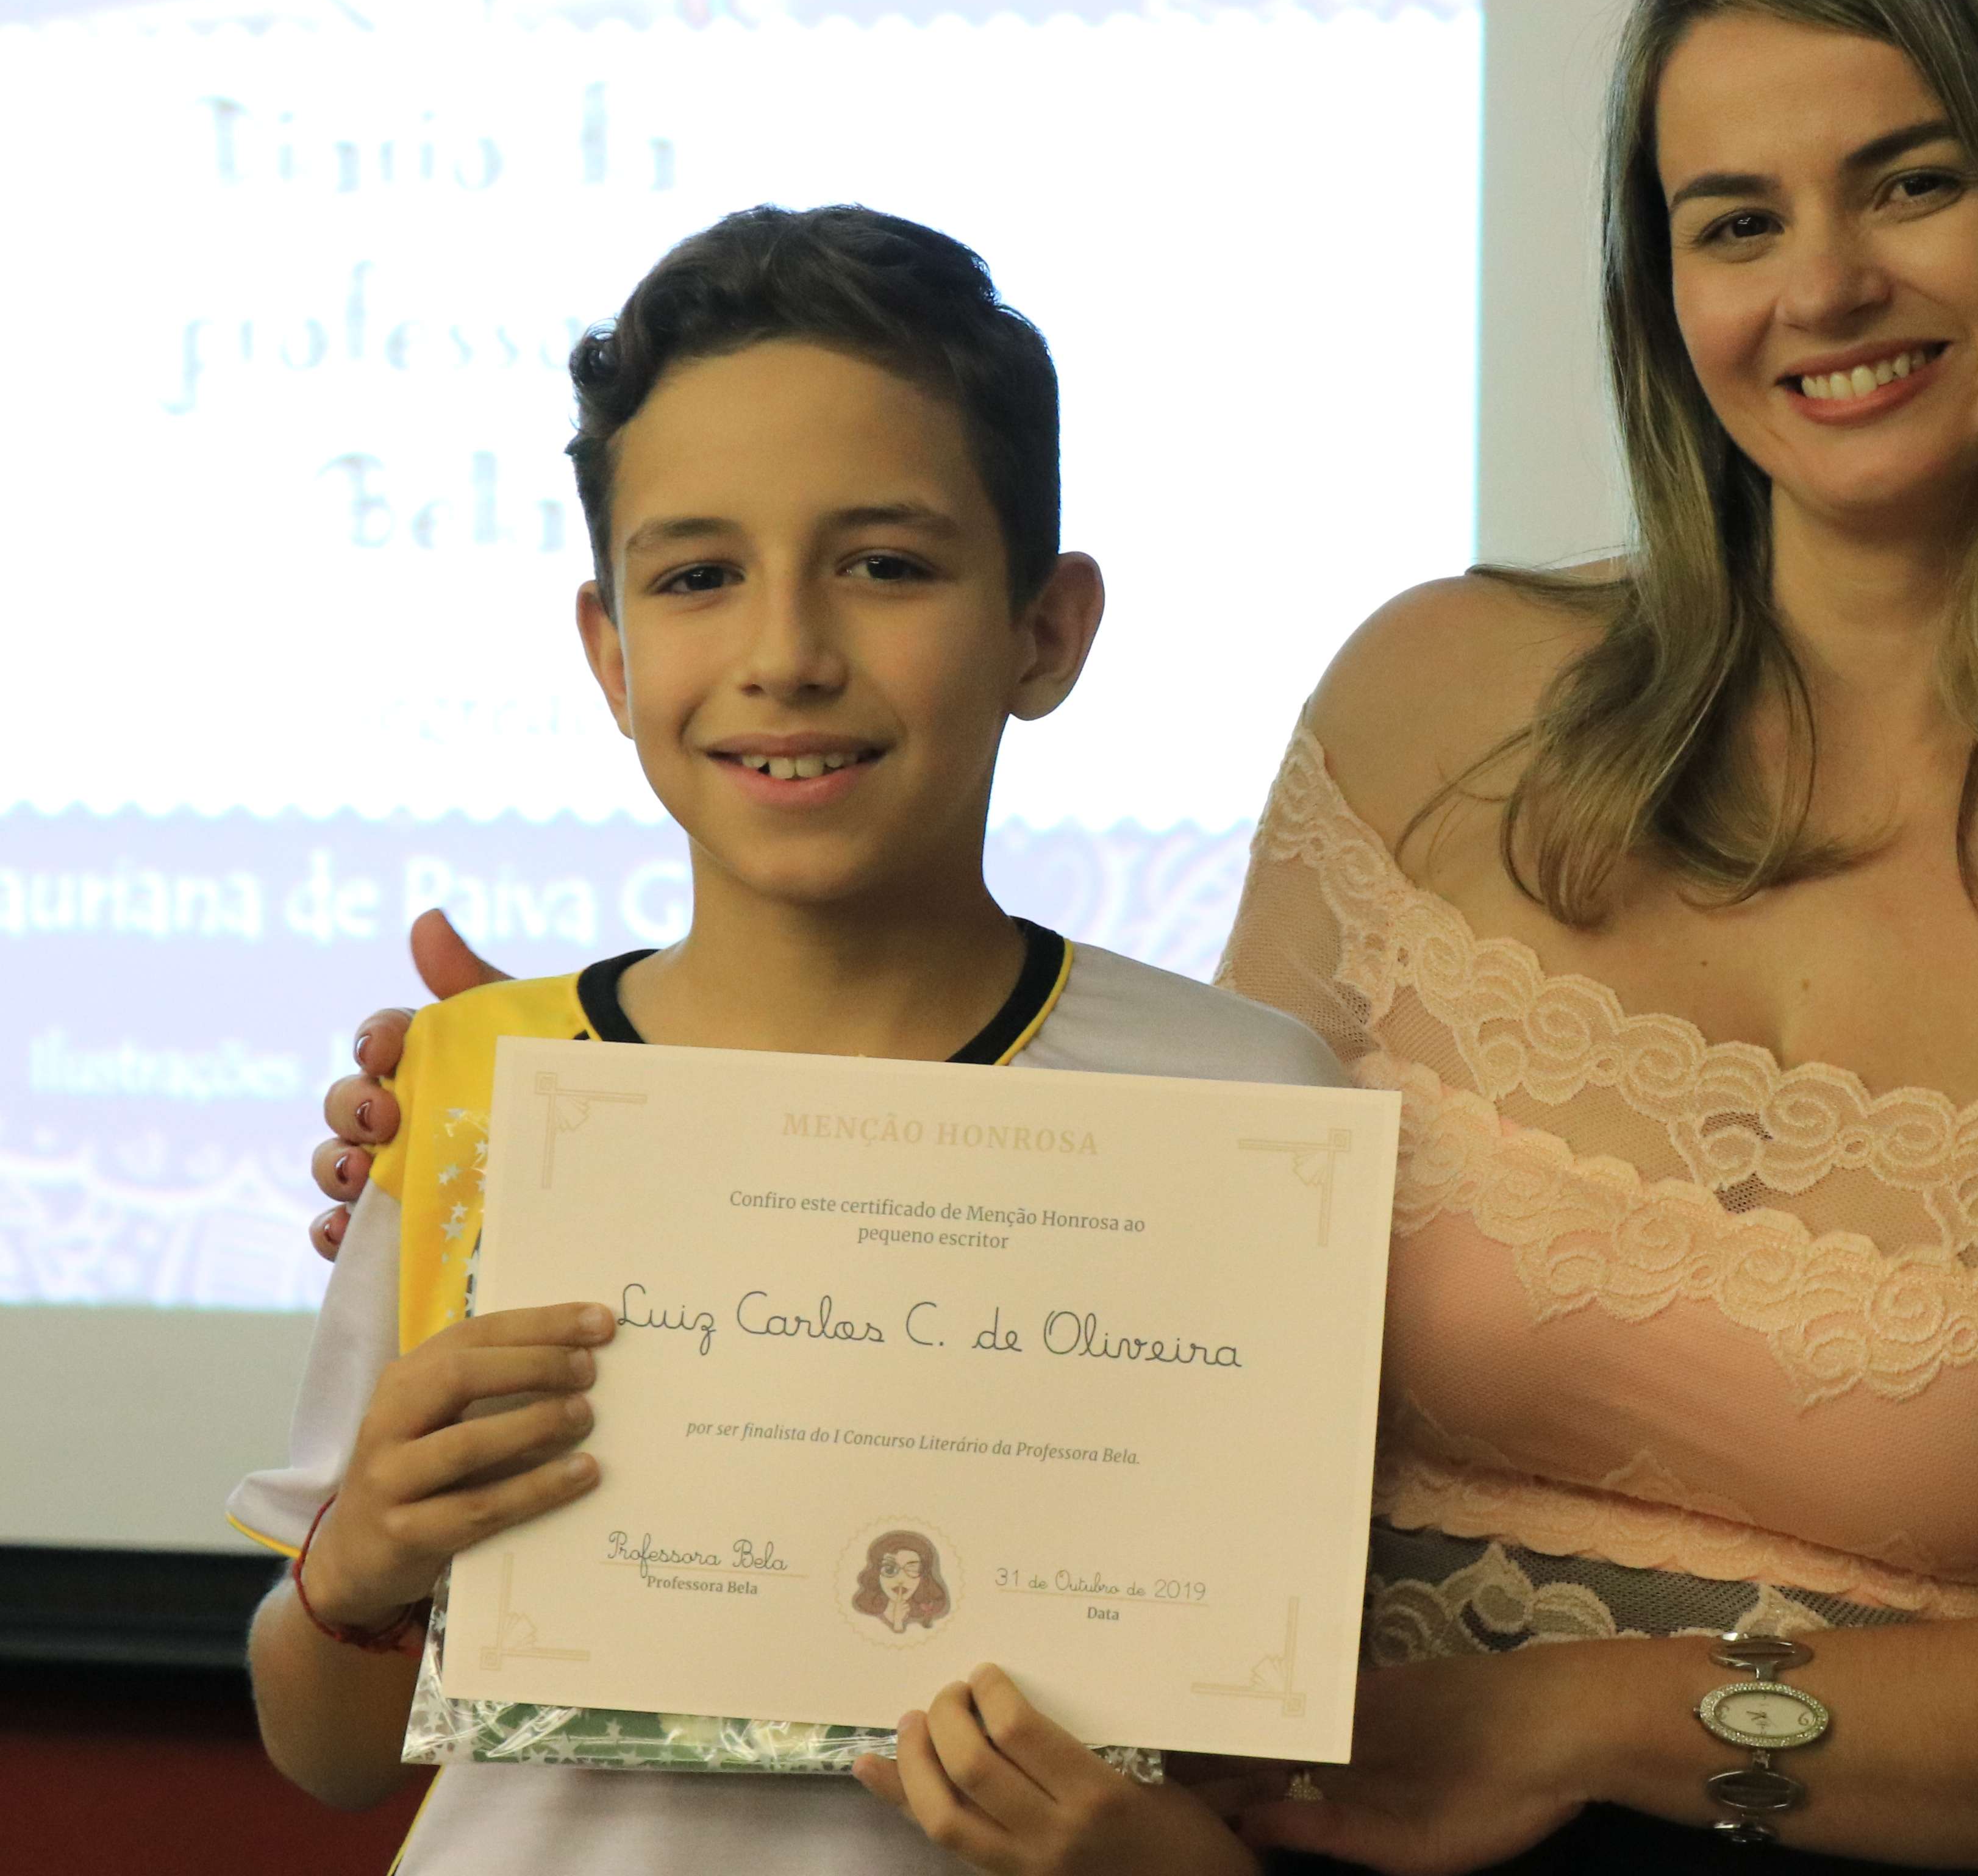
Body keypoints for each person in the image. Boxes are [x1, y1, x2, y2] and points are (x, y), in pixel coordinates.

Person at [309, 0, 1978, 1871]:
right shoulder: (1440, 704)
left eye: (1914, 183)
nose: (1821, 286)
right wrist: (657, 1130)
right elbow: (1124, 1252)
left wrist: (1574, 1719)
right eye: (1733, 219)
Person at [237, 205, 1335, 1876]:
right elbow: (323, 1756)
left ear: (1045, 630)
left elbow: (1276, 1754)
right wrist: (360, 1564)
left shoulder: (1246, 1118)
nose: (788, 657)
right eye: (697, 577)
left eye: (886, 565)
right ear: (611, 653)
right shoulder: (478, 1097)